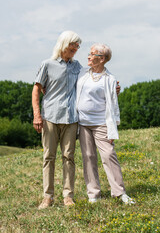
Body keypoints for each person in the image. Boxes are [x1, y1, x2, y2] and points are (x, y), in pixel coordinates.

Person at [32, 31, 121, 209]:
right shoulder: (47, 65)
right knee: (49, 157)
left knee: (69, 157)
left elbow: (97, 76)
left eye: (78, 46)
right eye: (74, 45)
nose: (76, 49)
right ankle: (47, 197)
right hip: (50, 117)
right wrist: (37, 115)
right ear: (64, 44)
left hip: (72, 119)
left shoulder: (78, 67)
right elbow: (37, 89)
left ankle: (68, 196)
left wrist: (113, 88)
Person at [76, 43, 135, 204]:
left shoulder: (110, 79)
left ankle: (119, 192)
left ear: (101, 59)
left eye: (92, 54)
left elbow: (113, 105)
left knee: (108, 155)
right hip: (83, 123)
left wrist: (113, 128)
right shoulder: (81, 73)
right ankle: (93, 194)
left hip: (101, 123)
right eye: (89, 53)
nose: (88, 56)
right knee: (88, 157)